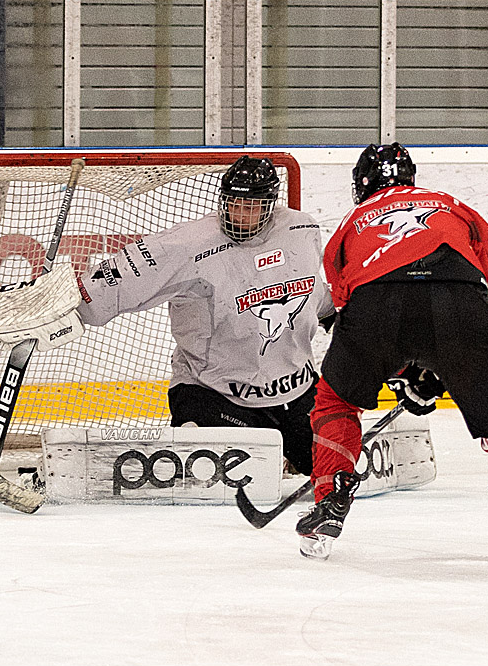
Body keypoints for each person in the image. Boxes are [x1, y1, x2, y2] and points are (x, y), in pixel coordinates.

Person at [295, 142, 488, 564]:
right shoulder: (452, 205)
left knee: (336, 401)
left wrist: (402, 370)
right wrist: (459, 363)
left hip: (375, 303)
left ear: (361, 185)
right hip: (460, 300)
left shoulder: (350, 224)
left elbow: (348, 302)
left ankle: (331, 494)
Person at [75, 156, 335, 476]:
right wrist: (69, 306)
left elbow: (305, 279)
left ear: (271, 205)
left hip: (296, 391)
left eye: (251, 207)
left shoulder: (300, 227)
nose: (239, 215)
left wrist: (327, 310)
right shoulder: (189, 245)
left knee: (334, 467)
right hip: (214, 393)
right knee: (215, 481)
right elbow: (124, 275)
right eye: (233, 204)